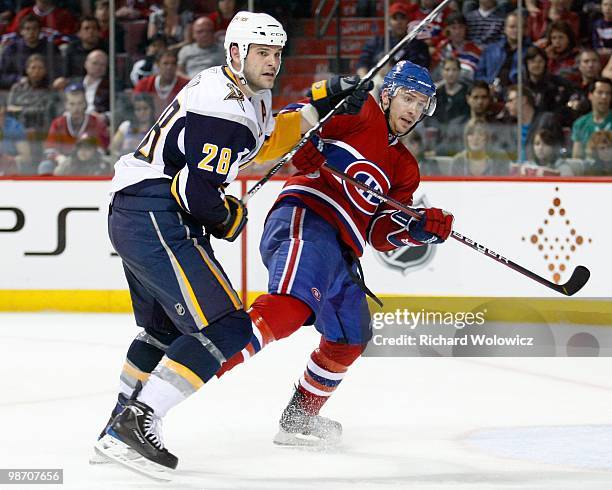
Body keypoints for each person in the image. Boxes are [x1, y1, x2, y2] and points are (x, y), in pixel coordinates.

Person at [94, 11, 372, 478]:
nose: (272, 62)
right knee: (226, 327)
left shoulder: (243, 92)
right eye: (262, 52)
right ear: (236, 52)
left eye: (277, 53)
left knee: (164, 332)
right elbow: (195, 194)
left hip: (136, 210)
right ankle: (134, 422)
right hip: (156, 212)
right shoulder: (224, 109)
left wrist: (314, 107)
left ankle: (116, 429)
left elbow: (264, 143)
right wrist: (227, 217)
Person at [214, 60, 453, 447]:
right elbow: (290, 126)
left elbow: (378, 233)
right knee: (288, 309)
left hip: (342, 251)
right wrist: (303, 151)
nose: (413, 110)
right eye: (408, 98)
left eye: (421, 104)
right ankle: (191, 366)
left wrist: (415, 230)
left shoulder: (405, 167)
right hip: (307, 217)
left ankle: (298, 419)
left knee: (350, 337)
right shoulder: (361, 110)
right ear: (388, 94)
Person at [7, 53, 59, 170]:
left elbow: (46, 112)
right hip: (18, 130)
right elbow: (9, 109)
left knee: (34, 137)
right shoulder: (17, 88)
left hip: (41, 130)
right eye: (33, 68)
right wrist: (32, 110)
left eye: (40, 68)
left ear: (45, 70)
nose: (36, 71)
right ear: (27, 70)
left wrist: (21, 109)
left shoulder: (50, 90)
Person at [356, 1, 430, 79]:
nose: (399, 22)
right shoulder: (377, 42)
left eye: (403, 18)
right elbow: (362, 64)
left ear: (408, 20)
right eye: (395, 18)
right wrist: (364, 80)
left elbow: (419, 71)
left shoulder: (418, 45)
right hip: (376, 83)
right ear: (389, 21)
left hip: (405, 84)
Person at [0, 14, 61, 89]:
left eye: (35, 29)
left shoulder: (51, 48)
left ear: (40, 30)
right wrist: (17, 79)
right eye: (27, 29)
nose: (31, 32)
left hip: (47, 88)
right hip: (18, 90)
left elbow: (59, 72)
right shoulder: (12, 49)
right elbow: (2, 76)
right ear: (21, 31)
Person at [133, 50, 189, 118]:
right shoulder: (144, 84)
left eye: (173, 63)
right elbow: (135, 107)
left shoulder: (186, 85)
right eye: (165, 63)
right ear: (157, 65)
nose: (169, 67)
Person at [572, 77, 612, 158]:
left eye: (608, 93)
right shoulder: (580, 124)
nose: (604, 97)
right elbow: (576, 158)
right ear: (590, 96)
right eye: (600, 92)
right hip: (589, 169)